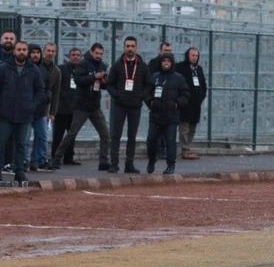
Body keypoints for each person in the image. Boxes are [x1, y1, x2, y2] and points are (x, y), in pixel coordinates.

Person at [50, 43, 111, 170]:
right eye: (96, 53)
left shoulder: (102, 66)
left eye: (101, 54)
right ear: (91, 52)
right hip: (81, 106)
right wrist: (94, 77)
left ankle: (103, 162)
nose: (98, 56)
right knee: (72, 133)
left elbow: (104, 86)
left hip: (94, 106)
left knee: (105, 134)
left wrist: (104, 82)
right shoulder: (84, 64)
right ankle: (56, 158)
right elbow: (79, 80)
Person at [0, 41, 45, 184]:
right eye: (19, 49)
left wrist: (32, 106)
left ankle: (20, 173)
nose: (21, 52)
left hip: (24, 115)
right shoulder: (3, 68)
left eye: (24, 49)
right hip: (5, 115)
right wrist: (0, 104)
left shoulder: (34, 70)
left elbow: (40, 91)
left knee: (21, 145)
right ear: (14, 51)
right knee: (0, 144)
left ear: (27, 52)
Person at [106, 36, 152, 173]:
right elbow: (109, 83)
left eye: (132, 46)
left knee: (132, 136)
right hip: (119, 105)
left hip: (135, 106)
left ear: (136, 48)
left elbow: (149, 84)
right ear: (124, 47)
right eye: (128, 46)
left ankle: (129, 164)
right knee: (116, 135)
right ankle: (114, 164)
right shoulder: (117, 65)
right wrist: (116, 95)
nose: (130, 49)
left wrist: (141, 96)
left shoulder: (143, 66)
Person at [145, 53, 189, 175]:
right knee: (151, 141)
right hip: (156, 116)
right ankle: (151, 160)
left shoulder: (178, 78)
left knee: (170, 141)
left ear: (171, 63)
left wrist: (177, 104)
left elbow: (186, 94)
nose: (166, 63)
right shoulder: (155, 77)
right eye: (163, 61)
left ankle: (171, 165)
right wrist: (150, 102)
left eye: (168, 61)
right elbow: (146, 93)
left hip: (171, 116)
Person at [28, 43, 61, 171]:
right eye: (48, 50)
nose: (50, 53)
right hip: (28, 107)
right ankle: (24, 160)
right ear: (44, 51)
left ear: (55, 53)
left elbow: (56, 93)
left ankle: (39, 160)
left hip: (43, 109)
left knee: (42, 136)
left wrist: (52, 113)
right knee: (25, 136)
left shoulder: (56, 71)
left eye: (53, 51)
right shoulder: (35, 66)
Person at [174, 47, 207, 160]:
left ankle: (187, 147)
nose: (194, 57)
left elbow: (203, 85)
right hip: (184, 103)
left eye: (196, 56)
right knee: (184, 126)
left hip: (196, 104)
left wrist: (201, 97)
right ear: (187, 55)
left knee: (193, 126)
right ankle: (184, 149)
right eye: (192, 55)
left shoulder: (199, 69)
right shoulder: (180, 67)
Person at [52, 48, 82, 165]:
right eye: (73, 54)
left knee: (72, 135)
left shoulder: (81, 70)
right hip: (61, 108)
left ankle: (69, 158)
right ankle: (55, 157)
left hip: (75, 109)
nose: (75, 57)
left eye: (78, 55)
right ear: (69, 56)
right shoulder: (62, 69)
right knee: (58, 135)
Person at [0, 30, 16, 168]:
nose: (8, 40)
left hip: (12, 103)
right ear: (1, 40)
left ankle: (7, 162)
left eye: (11, 38)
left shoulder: (18, 58)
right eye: (6, 38)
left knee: (10, 134)